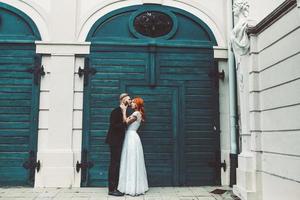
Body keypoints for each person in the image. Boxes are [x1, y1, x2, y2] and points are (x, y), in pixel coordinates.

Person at [118, 97, 149, 196]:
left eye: (133, 102)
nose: (131, 103)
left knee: (131, 159)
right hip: (132, 136)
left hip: (131, 137)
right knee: (132, 159)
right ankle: (133, 185)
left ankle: (131, 187)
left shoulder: (136, 114)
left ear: (137, 104)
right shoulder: (137, 113)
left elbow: (125, 122)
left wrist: (124, 111)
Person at [105, 93, 131, 196]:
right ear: (123, 100)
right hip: (114, 141)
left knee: (116, 163)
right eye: (128, 99)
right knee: (114, 164)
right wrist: (125, 123)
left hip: (119, 141)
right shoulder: (116, 111)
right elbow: (114, 125)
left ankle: (115, 187)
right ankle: (112, 189)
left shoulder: (123, 111)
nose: (130, 101)